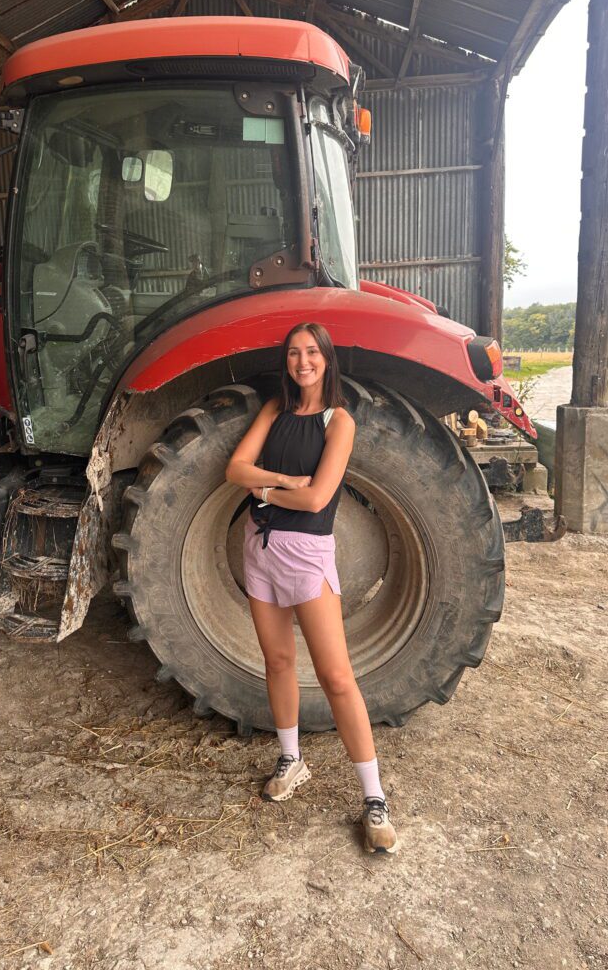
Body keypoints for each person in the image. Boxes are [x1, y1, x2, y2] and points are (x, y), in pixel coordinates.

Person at [225, 322, 400, 855]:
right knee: (277, 662)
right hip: (259, 549)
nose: (303, 362)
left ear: (327, 359)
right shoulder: (274, 410)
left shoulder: (338, 421)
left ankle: (374, 799)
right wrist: (285, 484)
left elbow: (320, 498)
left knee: (335, 676)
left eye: (312, 353)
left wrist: (269, 486)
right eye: (295, 353)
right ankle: (290, 759)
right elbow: (234, 468)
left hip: (306, 555)